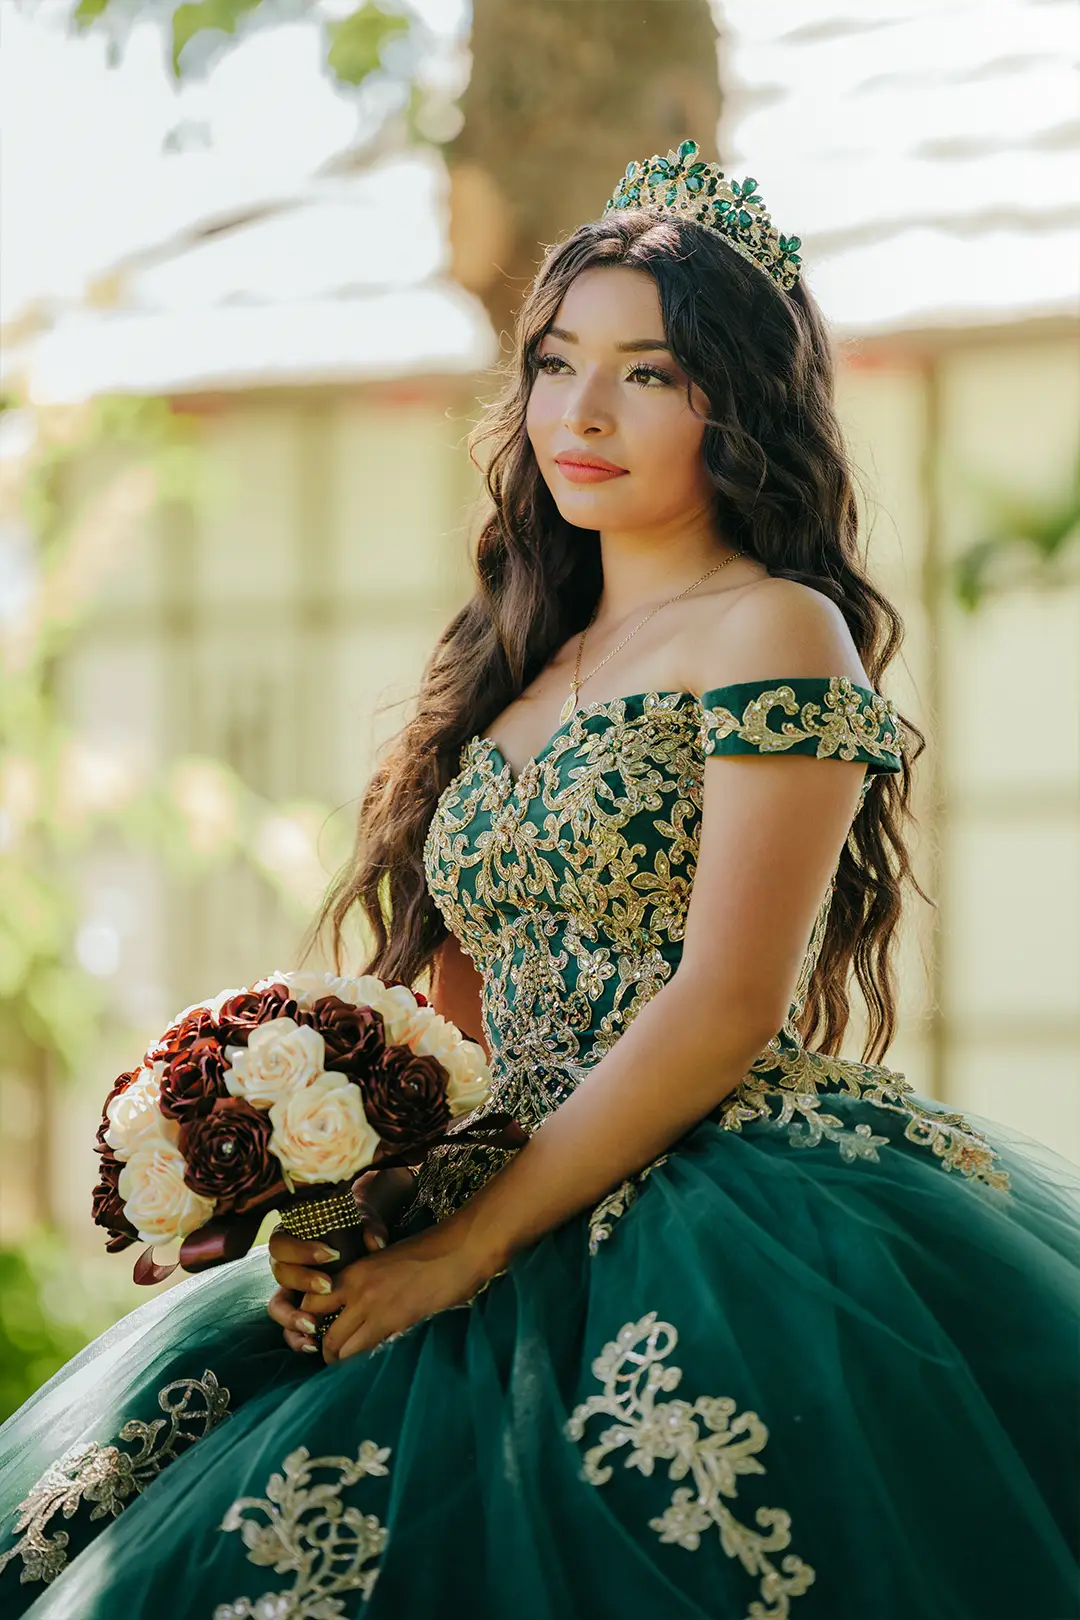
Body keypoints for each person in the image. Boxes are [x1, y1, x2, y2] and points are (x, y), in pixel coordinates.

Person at [1, 139, 1078, 1620]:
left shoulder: (771, 629)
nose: (581, 409)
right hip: (495, 1173)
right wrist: (347, 1203)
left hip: (721, 1206)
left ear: (736, 404)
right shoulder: (505, 669)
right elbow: (460, 1031)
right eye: (559, 361)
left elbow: (724, 1000)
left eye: (647, 371)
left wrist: (465, 1253)